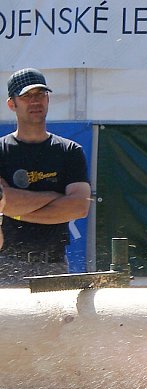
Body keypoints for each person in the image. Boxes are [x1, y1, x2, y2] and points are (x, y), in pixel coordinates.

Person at [0, 68, 91, 286]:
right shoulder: (1, 151)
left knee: (59, 321)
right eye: (26, 96)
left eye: (40, 94)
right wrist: (54, 196)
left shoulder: (69, 151)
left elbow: (79, 207)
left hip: (54, 265)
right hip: (7, 264)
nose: (35, 101)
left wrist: (15, 211)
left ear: (48, 99)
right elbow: (4, 201)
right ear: (12, 104)